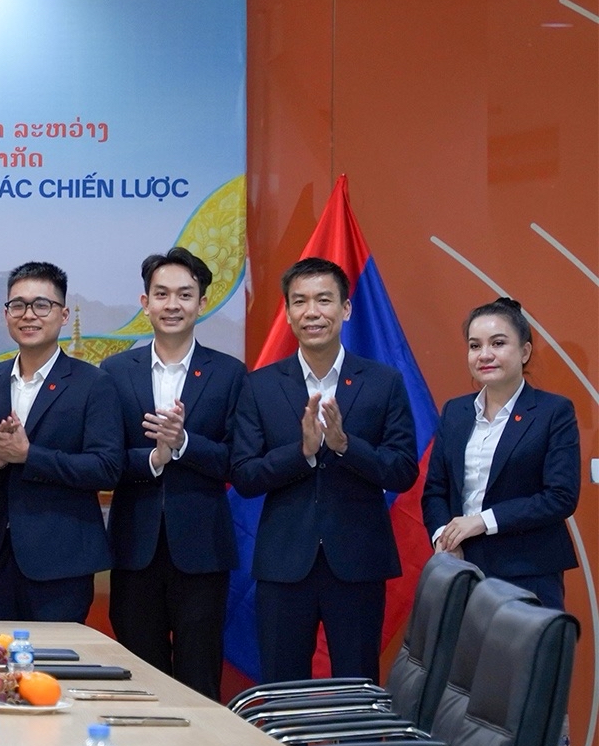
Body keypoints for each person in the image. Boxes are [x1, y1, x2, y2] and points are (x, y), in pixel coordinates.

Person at [231, 257, 418, 682]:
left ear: (346, 309)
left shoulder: (382, 381)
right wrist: (303, 452)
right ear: (288, 311)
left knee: (357, 685)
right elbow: (244, 475)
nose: (311, 312)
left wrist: (345, 446)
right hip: (284, 564)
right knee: (281, 688)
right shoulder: (259, 385)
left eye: (323, 300)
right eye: (300, 302)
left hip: (357, 562)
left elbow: (403, 470)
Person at [104, 249, 247, 700]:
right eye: (161, 294)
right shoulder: (113, 372)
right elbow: (104, 460)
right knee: (139, 678)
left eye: (185, 295)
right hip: (134, 548)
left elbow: (238, 462)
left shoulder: (229, 373)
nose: (172, 305)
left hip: (202, 550)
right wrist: (154, 458)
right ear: (144, 303)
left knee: (199, 677)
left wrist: (183, 444)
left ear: (202, 303)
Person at [0, 262, 124, 623]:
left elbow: (107, 468)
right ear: (6, 314)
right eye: (17, 305)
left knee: (51, 673)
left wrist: (28, 455)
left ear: (63, 314)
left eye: (41, 305)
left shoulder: (93, 383)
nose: (28, 315)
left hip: (61, 561)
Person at [424, 297, 581, 610]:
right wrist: (445, 537)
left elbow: (559, 497)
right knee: (463, 660)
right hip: (460, 567)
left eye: (497, 343)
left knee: (526, 660)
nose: (485, 355)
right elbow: (435, 491)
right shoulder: (456, 411)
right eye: (474, 345)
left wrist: (481, 521)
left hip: (528, 570)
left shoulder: (553, 412)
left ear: (524, 351)